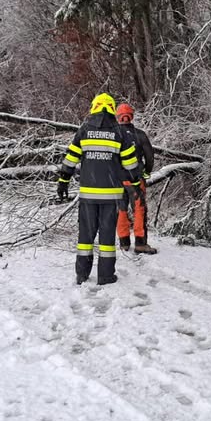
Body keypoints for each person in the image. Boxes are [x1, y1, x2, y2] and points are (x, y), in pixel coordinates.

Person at [57, 93, 139, 285]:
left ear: (94, 107)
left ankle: (82, 274)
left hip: (88, 195)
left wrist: (63, 180)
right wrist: (136, 184)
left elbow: (71, 158)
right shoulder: (119, 133)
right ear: (111, 109)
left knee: (85, 236)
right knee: (107, 237)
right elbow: (131, 164)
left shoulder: (84, 130)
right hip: (111, 196)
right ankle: (105, 275)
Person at [114, 103, 157, 254]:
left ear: (117, 116)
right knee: (139, 210)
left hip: (117, 180)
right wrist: (147, 172)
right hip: (136, 179)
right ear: (131, 116)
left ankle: (124, 242)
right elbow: (150, 156)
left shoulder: (113, 134)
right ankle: (140, 243)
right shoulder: (139, 134)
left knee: (121, 210)